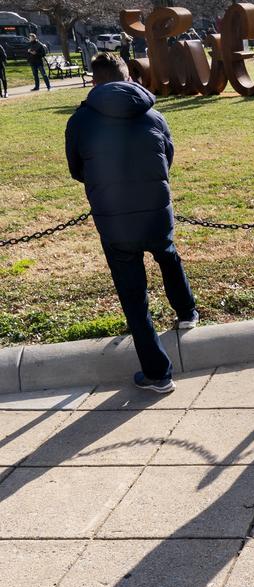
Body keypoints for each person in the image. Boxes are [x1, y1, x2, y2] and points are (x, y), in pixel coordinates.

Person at [65, 53, 199, 394]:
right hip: (154, 207)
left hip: (113, 216)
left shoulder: (81, 121)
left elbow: (76, 169)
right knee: (167, 254)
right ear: (127, 76)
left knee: (133, 294)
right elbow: (167, 157)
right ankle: (187, 310)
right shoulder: (153, 115)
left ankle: (157, 373)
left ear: (94, 80)